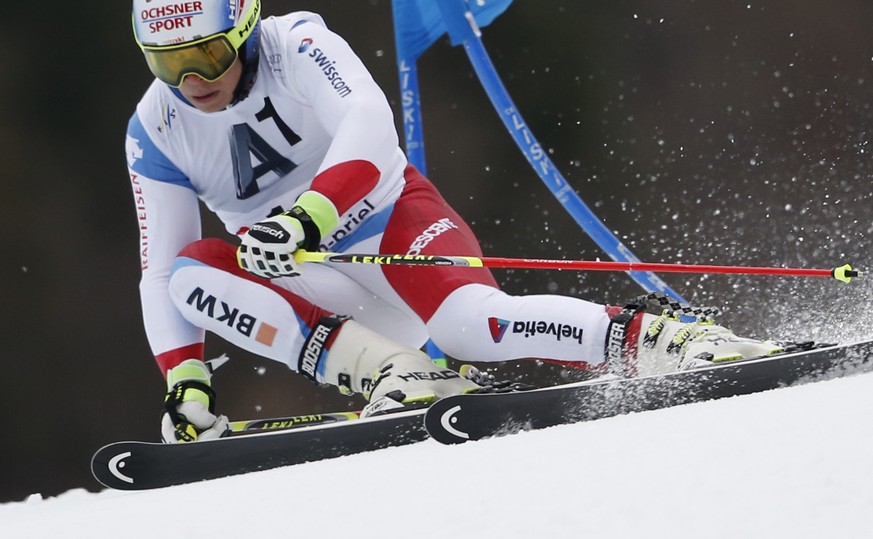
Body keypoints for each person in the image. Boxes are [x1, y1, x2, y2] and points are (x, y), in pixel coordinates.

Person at [126, 0, 782, 443]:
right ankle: (396, 372)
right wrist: (184, 377)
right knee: (191, 277)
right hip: (323, 288)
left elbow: (368, 123)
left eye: (206, 56)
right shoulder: (154, 127)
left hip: (392, 226)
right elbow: (159, 269)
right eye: (166, 62)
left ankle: (668, 342)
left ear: (241, 31)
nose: (190, 80)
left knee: (472, 325)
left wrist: (306, 219)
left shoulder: (295, 44)